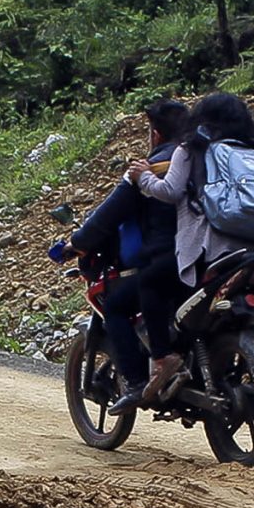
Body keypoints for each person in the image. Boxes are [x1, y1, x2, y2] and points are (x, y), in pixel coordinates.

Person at [125, 90, 254, 403]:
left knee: (151, 281)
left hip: (209, 250)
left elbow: (169, 190)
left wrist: (142, 177)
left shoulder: (192, 147)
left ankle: (162, 359)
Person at [64, 99, 189, 411]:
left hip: (168, 259)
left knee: (118, 306)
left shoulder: (150, 168)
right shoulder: (204, 161)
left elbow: (107, 216)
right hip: (209, 257)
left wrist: (76, 243)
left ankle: (135, 382)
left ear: (156, 134)